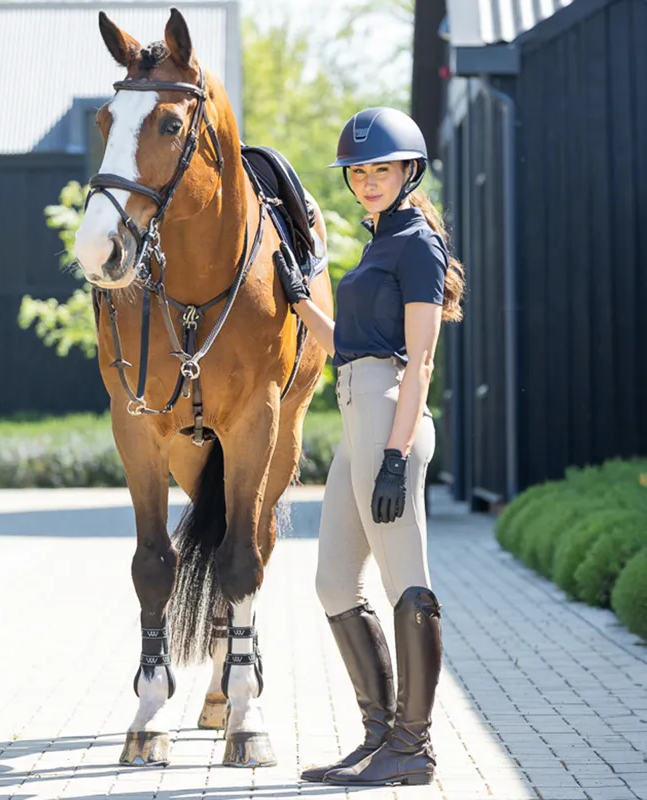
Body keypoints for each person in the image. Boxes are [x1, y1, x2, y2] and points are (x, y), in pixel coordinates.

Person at [273, 107, 465, 787]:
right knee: (333, 581)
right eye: (358, 173)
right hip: (358, 411)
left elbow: (421, 362)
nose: (368, 181)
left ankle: (413, 747)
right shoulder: (378, 243)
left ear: (409, 171)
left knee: (405, 580)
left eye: (381, 169)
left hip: (390, 418)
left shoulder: (417, 244)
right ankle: (379, 735)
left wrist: (395, 455)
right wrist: (300, 298)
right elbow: (347, 346)